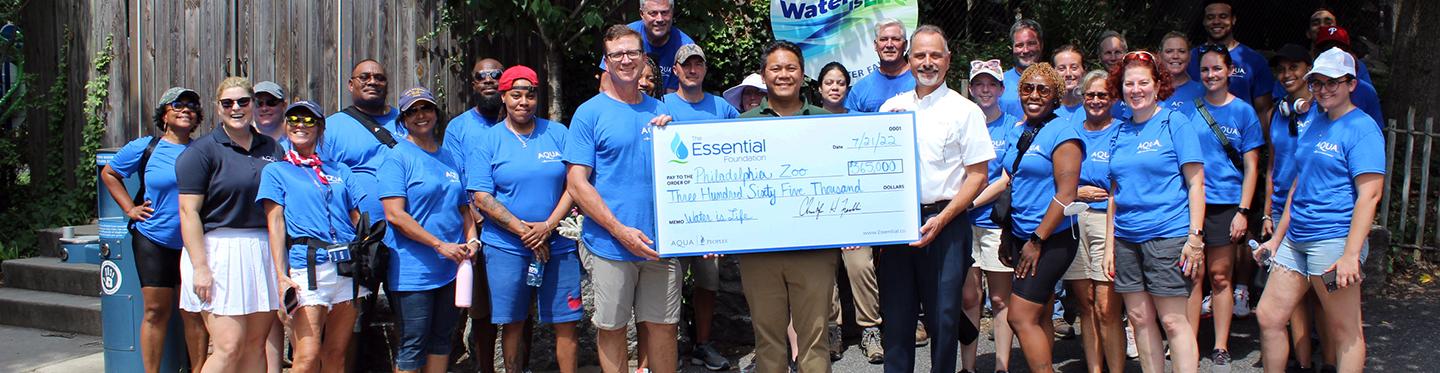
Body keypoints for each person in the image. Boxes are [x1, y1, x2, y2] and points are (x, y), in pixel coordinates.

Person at [1254, 47, 1381, 373]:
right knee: (1268, 316)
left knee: (1345, 332)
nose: (1323, 90)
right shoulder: (1313, 122)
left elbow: (1370, 195)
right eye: (1318, 83)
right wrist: (1275, 240)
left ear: (1351, 84)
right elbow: (1299, 185)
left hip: (1333, 239)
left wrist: (1351, 254)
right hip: (1296, 237)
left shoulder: (1362, 129)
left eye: (1332, 83)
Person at [874, 26, 992, 373]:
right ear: (909, 60)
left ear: (948, 60)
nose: (928, 63)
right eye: (920, 55)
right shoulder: (890, 108)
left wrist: (943, 219)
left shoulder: (965, 110)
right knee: (896, 319)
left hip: (948, 222)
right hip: (899, 223)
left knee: (943, 319)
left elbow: (978, 176)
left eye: (935, 55)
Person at [563, 24, 678, 373]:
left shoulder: (662, 110)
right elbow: (577, 183)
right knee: (612, 328)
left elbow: (685, 169)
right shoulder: (589, 113)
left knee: (664, 328)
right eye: (617, 54)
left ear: (644, 58)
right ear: (607, 61)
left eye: (632, 52)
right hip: (610, 245)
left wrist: (674, 137)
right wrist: (619, 230)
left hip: (662, 243)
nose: (625, 60)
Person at [465, 66, 583, 373]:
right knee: (513, 321)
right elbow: (481, 196)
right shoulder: (488, 141)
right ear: (503, 97)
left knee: (566, 322)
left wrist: (547, 227)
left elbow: (575, 185)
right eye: (515, 95)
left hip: (558, 243)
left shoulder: (557, 133)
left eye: (530, 95)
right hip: (506, 246)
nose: (523, 102)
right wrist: (523, 232)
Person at [730, 40, 838, 373]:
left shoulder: (830, 122)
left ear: (803, 74)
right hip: (760, 252)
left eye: (790, 68)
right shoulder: (740, 126)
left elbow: (843, 181)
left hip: (814, 251)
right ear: (764, 75)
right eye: (775, 68)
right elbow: (727, 188)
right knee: (768, 342)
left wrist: (853, 225)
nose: (783, 74)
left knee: (815, 341)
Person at [1104, 50, 1206, 373]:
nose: (1136, 90)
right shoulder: (1119, 131)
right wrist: (1110, 244)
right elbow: (1115, 193)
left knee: (1174, 321)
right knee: (1138, 319)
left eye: (1143, 83)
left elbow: (1196, 185)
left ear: (1158, 84)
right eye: (1129, 84)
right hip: (1127, 238)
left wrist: (1195, 237)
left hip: (1168, 236)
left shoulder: (1175, 122)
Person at [175, 77, 286, 373]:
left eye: (243, 102)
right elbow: (188, 213)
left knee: (255, 344)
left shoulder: (272, 149)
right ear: (218, 108)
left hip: (261, 251)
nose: (236, 108)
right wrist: (200, 267)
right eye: (228, 103)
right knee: (228, 347)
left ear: (252, 104)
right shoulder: (201, 151)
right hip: (217, 252)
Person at [100, 86, 209, 373]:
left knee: (194, 313)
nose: (186, 110)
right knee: (155, 311)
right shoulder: (146, 147)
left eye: (192, 106)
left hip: (193, 244)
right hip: (154, 239)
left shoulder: (205, 150)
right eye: (178, 105)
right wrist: (130, 209)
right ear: (164, 114)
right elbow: (109, 173)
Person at [258, 101, 370, 373]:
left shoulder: (340, 170)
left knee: (336, 356)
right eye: (294, 119)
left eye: (309, 120)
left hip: (346, 268)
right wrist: (280, 275)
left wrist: (367, 246)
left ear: (320, 128)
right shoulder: (276, 171)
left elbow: (357, 216)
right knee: (306, 357)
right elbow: (275, 224)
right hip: (307, 267)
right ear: (286, 126)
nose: (300, 125)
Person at [989, 62, 1082, 373]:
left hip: (1050, 237)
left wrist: (1036, 240)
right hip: (1020, 233)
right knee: (1040, 312)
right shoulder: (1022, 129)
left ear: (1055, 95)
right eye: (1028, 88)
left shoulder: (1063, 133)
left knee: (1019, 316)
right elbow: (1014, 182)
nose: (1035, 95)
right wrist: (1007, 234)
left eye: (1044, 89)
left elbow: (1066, 194)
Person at [379, 87, 477, 373]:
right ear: (404, 119)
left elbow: (463, 207)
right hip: (413, 271)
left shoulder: (449, 158)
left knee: (442, 341)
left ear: (437, 113)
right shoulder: (397, 157)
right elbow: (395, 215)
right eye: (412, 111)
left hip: (451, 267)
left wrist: (472, 240)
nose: (421, 116)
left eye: (426, 109)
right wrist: (438, 244)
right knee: (412, 345)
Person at [656, 44, 737, 371]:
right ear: (675, 70)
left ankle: (702, 344)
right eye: (685, 65)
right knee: (667, 287)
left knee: (707, 284)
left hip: (710, 217)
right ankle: (668, 349)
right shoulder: (659, 105)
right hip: (671, 215)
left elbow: (749, 143)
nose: (692, 70)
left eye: (697, 65)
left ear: (704, 69)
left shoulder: (721, 107)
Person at [1189, 43, 1266, 370]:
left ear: (1229, 71)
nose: (1210, 75)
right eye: (1205, 70)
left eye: (1216, 69)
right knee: (1192, 275)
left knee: (1220, 277)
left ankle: (1220, 345)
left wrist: (1244, 211)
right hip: (1193, 204)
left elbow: (1252, 166)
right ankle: (1188, 341)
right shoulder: (1189, 110)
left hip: (1227, 205)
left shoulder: (1244, 112)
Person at [1263, 44, 1328, 373]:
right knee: (1294, 299)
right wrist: (1266, 212)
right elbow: (1272, 166)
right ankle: (1303, 364)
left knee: (1323, 297)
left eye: (1294, 67)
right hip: (1280, 210)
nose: (1287, 75)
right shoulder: (1277, 111)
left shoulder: (1323, 111)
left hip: (1314, 209)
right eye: (1282, 69)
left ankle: (1330, 362)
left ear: (1310, 70)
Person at [445, 56, 505, 373]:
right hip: (478, 228)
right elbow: (454, 179)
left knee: (517, 305)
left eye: (496, 74)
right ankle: (485, 368)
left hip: (516, 229)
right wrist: (473, 218)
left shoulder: (520, 119)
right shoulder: (459, 128)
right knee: (481, 309)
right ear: (473, 83)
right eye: (482, 76)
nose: (490, 80)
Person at [1066, 70, 1127, 373]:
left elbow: (1126, 181)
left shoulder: (1123, 131)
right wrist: (1078, 190)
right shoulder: (1071, 129)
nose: (1096, 101)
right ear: (1082, 97)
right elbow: (1058, 177)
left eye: (1103, 95)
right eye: (1090, 95)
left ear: (1113, 98)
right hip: (1074, 221)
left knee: (1106, 307)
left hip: (1107, 222)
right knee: (1085, 303)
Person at [964, 58, 1019, 373]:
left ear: (1001, 88)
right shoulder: (962, 121)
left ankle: (1002, 366)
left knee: (1000, 301)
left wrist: (968, 204)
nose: (985, 90)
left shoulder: (1012, 125)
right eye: (979, 84)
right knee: (969, 300)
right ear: (971, 88)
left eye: (991, 84)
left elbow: (1005, 179)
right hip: (963, 226)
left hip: (995, 224)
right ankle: (968, 367)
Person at [323, 59, 404, 226]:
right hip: (358, 234)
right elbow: (319, 182)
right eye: (364, 77)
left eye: (379, 78)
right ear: (351, 85)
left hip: (409, 230)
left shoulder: (406, 121)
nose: (372, 82)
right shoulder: (330, 128)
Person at [250, 79, 288, 373]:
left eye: (271, 102)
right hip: (251, 235)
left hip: (289, 237)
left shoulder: (296, 141)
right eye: (259, 102)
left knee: (282, 309)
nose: (264, 108)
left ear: (283, 106)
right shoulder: (241, 140)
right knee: (257, 311)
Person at [1188, 0, 1275, 124]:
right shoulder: (1189, 59)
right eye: (1210, 17)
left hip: (1240, 138)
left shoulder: (1254, 60)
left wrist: (1263, 142)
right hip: (1196, 136)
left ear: (1233, 19)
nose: (1216, 21)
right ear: (1204, 21)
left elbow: (1264, 110)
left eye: (1223, 16)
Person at [598, 0, 695, 93]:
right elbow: (605, 86)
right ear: (641, 13)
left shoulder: (684, 46)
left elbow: (674, 95)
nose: (659, 19)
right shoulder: (623, 38)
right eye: (653, 13)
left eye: (665, 13)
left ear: (672, 12)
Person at [1311, 26, 1384, 127]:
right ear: (1315, 54)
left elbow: (1376, 129)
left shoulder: (1365, 90)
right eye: (1326, 49)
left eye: (1339, 49)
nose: (1332, 53)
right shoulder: (1306, 84)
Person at [845, 18, 914, 113]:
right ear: (875, 45)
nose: (889, 45)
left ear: (905, 45)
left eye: (895, 39)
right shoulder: (859, 89)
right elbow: (850, 125)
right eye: (883, 39)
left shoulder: (922, 82)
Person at [1307, 8, 1371, 84]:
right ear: (1308, 33)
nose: (1322, 26)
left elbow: (1365, 93)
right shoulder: (1301, 62)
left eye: (1328, 23)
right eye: (1316, 23)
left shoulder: (1356, 64)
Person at [1000, 19, 1044, 120]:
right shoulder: (999, 82)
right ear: (1012, 48)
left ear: (1041, 45)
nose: (1025, 50)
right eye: (1019, 45)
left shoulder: (1054, 81)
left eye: (1031, 44)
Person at [1159, 32, 1205, 116]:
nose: (1175, 56)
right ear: (1160, 55)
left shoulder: (1202, 91)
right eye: (1169, 51)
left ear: (1189, 56)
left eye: (1181, 51)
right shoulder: (1151, 90)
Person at [1053, 45, 1087, 122]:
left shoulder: (1094, 107)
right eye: (1062, 69)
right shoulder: (1046, 109)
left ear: (1084, 71)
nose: (1068, 74)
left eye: (1074, 68)